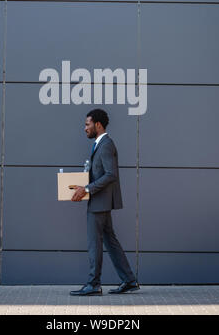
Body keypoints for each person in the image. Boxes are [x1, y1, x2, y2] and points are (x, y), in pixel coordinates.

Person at [70, 108, 139, 296]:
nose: (85, 128)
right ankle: (129, 280)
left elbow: (111, 174)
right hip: (101, 202)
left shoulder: (106, 144)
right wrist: (83, 185)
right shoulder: (99, 144)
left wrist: (86, 189)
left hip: (99, 204)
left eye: (87, 124)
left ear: (97, 125)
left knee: (95, 244)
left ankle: (94, 283)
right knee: (111, 241)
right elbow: (100, 174)